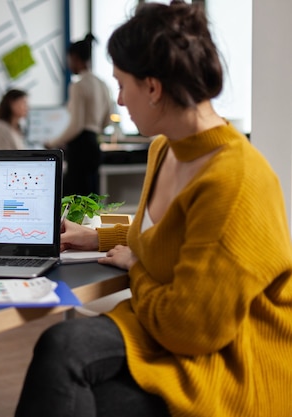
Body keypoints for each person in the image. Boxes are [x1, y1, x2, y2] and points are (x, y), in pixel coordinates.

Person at [16, 2, 292, 416]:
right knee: (61, 347)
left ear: (153, 87)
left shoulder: (235, 180)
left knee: (71, 366)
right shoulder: (166, 148)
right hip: (173, 335)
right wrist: (97, 235)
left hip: (228, 360)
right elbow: (168, 235)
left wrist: (135, 269)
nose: (120, 99)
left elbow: (192, 329)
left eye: (122, 85)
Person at [45, 34, 113, 197]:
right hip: (94, 145)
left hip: (80, 147)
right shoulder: (102, 84)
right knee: (91, 198)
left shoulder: (78, 85)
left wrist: (52, 143)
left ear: (75, 58)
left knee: (74, 198)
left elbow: (76, 124)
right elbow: (107, 119)